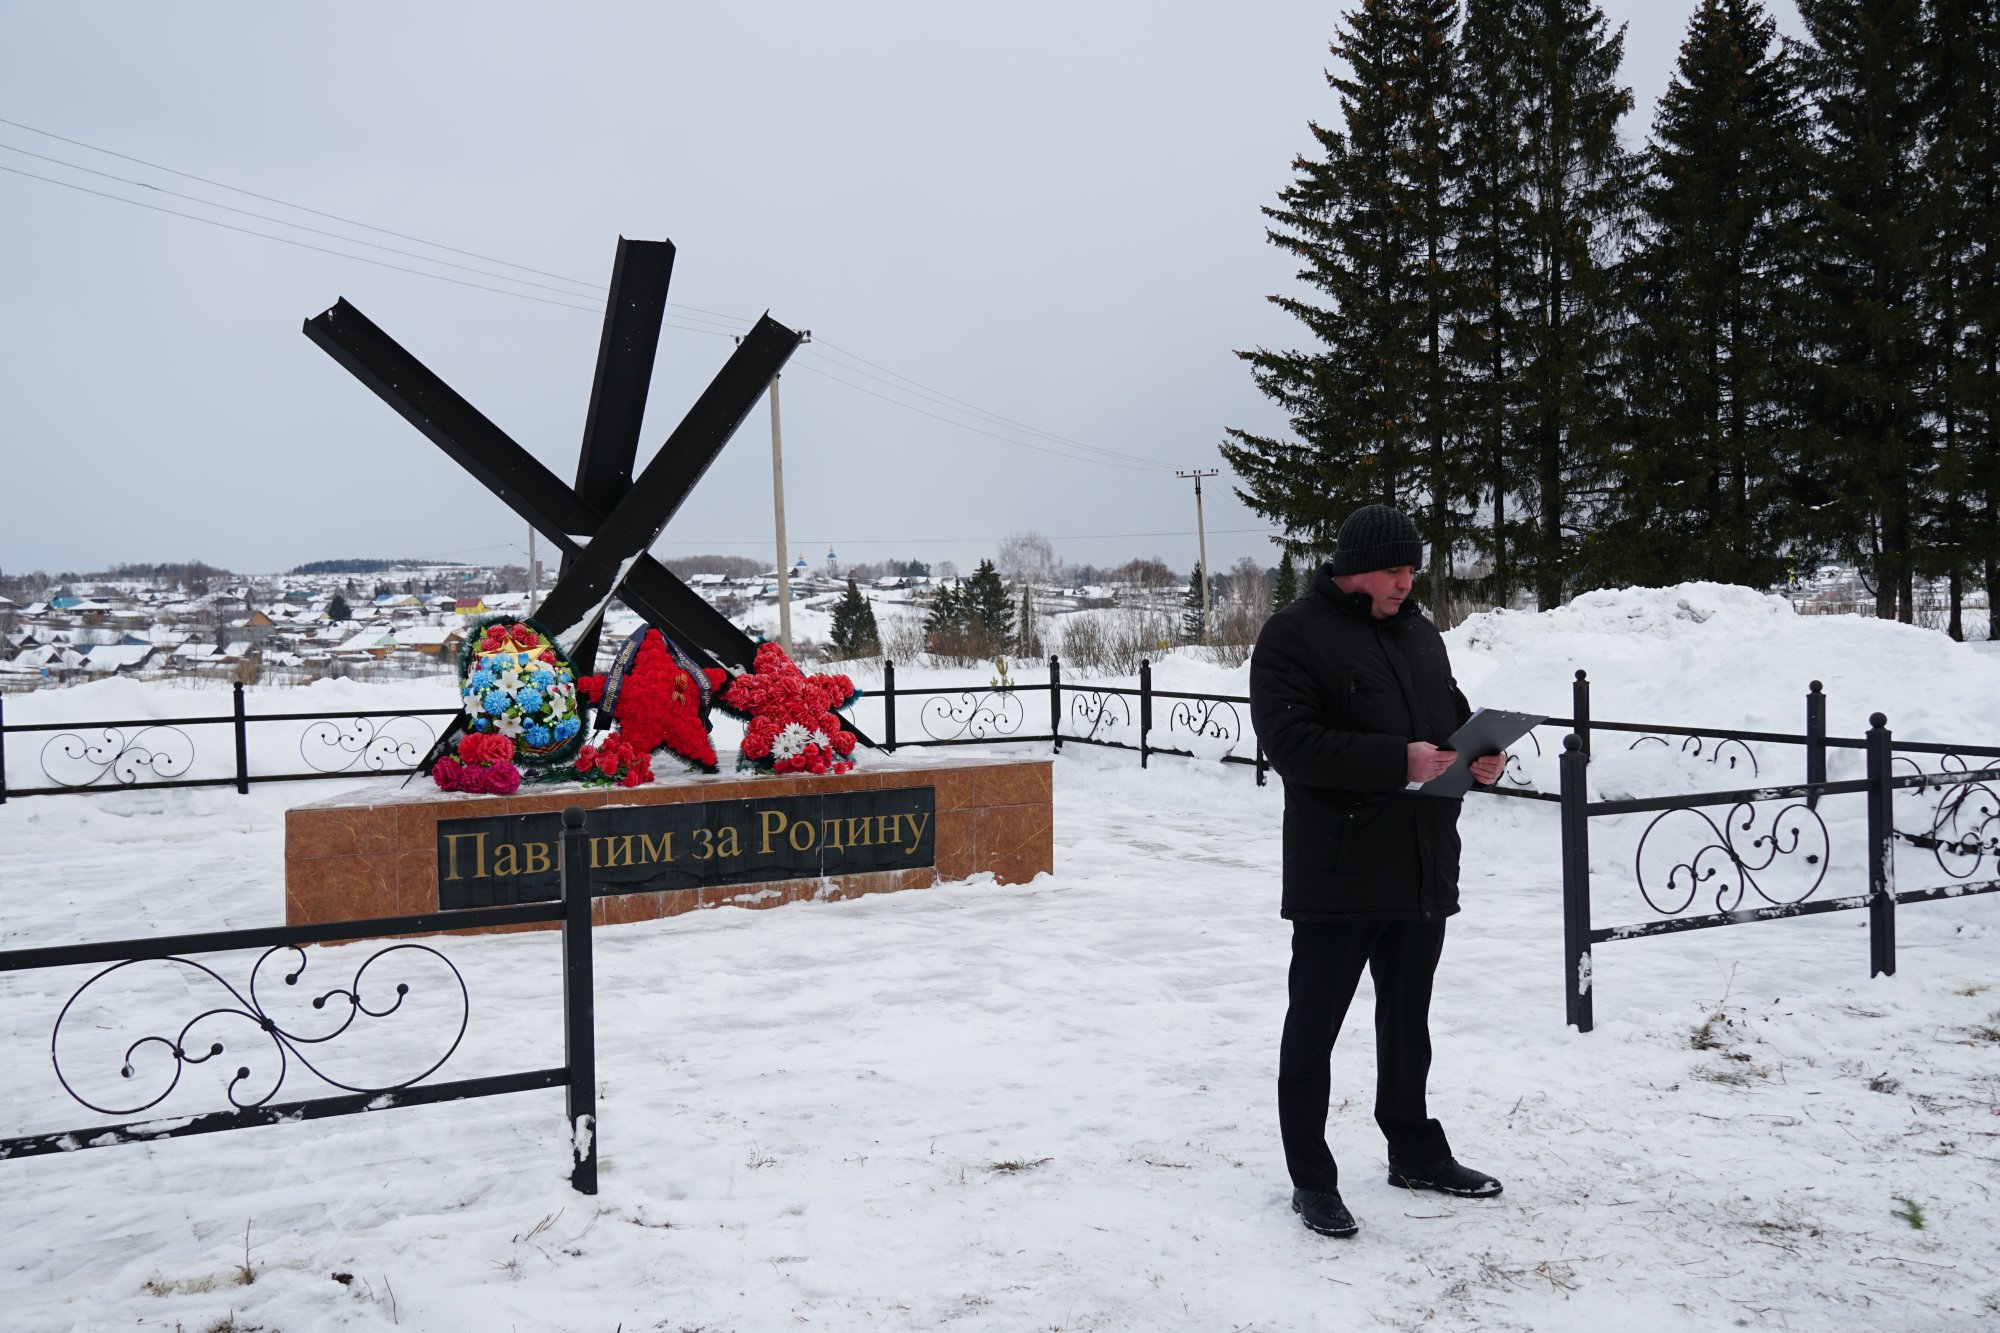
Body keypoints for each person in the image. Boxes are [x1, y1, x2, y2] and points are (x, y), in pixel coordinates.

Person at [1248, 503, 1506, 1239]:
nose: (1406, 582)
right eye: (1395, 569)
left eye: (1412, 569)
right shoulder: (1293, 636)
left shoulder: (1420, 633)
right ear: (1354, 566)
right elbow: (1292, 744)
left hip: (1421, 861)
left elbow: (1450, 722)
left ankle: (1415, 1151)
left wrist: (1480, 759)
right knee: (1314, 1030)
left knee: (1407, 1023)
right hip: (1340, 870)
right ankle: (1312, 1178)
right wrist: (1398, 760)